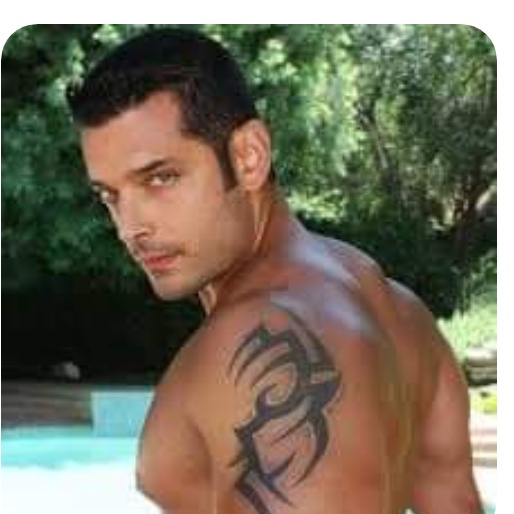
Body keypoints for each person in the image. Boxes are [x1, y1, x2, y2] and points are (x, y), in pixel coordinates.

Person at [67, 28, 483, 514]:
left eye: (160, 178)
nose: (130, 227)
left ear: (248, 157)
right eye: (110, 196)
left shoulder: (263, 332)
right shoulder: (402, 315)